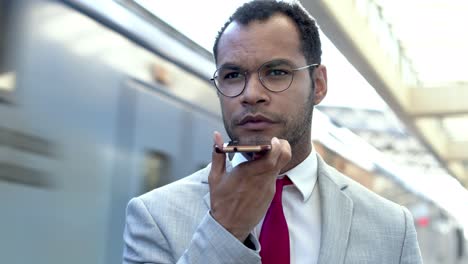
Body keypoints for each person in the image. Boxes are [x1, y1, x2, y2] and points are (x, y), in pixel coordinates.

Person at [123, 1, 423, 263]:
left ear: (318, 84)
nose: (251, 94)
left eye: (276, 72)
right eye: (232, 75)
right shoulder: (154, 217)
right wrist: (225, 229)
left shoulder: (392, 228)